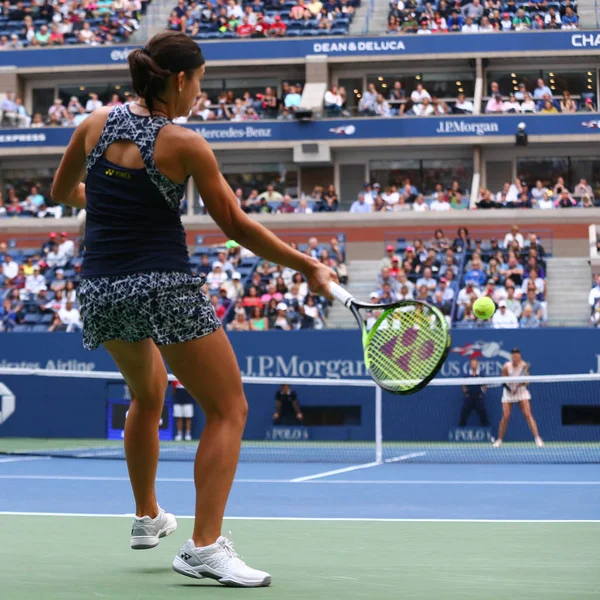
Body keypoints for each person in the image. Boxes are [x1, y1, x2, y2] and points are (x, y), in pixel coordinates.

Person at [51, 31, 336, 587]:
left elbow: (65, 191)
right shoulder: (182, 142)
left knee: (147, 393)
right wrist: (308, 267)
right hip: (164, 287)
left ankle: (146, 516)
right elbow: (234, 224)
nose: (200, 94)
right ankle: (205, 546)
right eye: (200, 82)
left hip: (101, 289)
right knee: (229, 408)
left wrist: (110, 201)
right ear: (179, 80)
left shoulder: (93, 124)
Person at [493, 348, 544, 448]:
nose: (516, 358)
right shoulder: (506, 367)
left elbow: (527, 381)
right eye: (514, 356)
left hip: (521, 391)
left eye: (518, 356)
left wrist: (519, 385)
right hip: (508, 392)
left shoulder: (524, 366)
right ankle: (499, 440)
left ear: (519, 357)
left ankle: (538, 439)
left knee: (527, 414)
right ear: (512, 357)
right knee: (506, 416)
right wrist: (510, 389)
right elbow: (503, 382)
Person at [459, 358, 489, 427]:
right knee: (463, 415)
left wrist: (481, 392)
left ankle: (487, 433)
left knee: (483, 416)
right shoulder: (466, 376)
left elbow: (485, 386)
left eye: (475, 364)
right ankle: (460, 430)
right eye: (472, 364)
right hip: (469, 399)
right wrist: (466, 393)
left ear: (477, 364)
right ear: (470, 365)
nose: (474, 365)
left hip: (479, 399)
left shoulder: (481, 376)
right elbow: (463, 386)